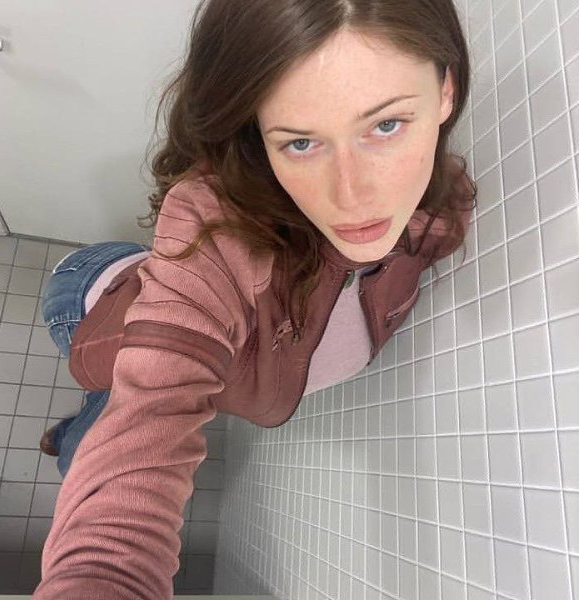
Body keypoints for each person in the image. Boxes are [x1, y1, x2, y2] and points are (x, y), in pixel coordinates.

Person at [33, 0, 476, 597]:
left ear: (446, 91)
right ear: (256, 134)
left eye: (386, 126)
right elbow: (151, 415)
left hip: (146, 281)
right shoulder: (214, 231)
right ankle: (75, 437)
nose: (351, 197)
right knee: (109, 417)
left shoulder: (436, 207)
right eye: (300, 142)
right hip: (89, 299)